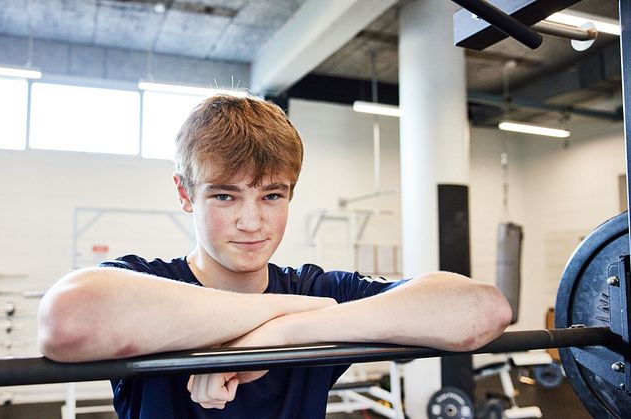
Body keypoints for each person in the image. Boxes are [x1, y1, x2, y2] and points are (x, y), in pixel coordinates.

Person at [37, 94, 512, 418]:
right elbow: (66, 321)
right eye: (225, 197)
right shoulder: (148, 285)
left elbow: (484, 309)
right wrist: (296, 313)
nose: (251, 222)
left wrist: (285, 333)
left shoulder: (313, 293)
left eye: (271, 196)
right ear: (185, 193)